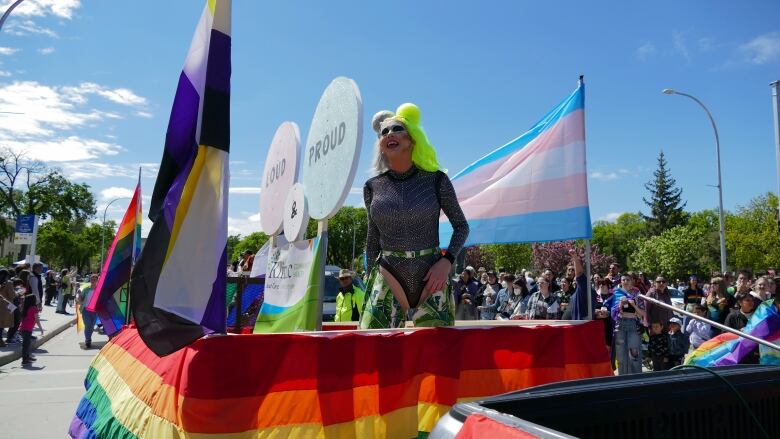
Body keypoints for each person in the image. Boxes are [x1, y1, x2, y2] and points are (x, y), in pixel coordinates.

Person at [360, 104, 469, 329]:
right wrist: (370, 283)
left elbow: (461, 226)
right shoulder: (372, 187)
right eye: (384, 132)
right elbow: (372, 240)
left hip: (432, 278)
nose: (389, 134)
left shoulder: (437, 180)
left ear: (412, 138)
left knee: (437, 355)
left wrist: (447, 262)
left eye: (397, 129)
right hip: (387, 275)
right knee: (375, 351)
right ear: (380, 145)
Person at [610, 274, 646, 375]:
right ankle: (623, 378)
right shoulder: (616, 293)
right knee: (621, 354)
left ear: (632, 281)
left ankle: (635, 378)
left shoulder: (638, 294)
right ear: (620, 282)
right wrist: (620, 306)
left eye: (627, 280)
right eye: (623, 280)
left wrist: (634, 305)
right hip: (620, 325)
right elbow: (613, 311)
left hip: (633, 325)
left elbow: (643, 313)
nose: (625, 281)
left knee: (634, 353)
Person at [78, 274, 99, 348]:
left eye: (94, 279)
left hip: (95, 310)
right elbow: (80, 297)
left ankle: (88, 338)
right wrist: (79, 299)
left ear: (97, 280)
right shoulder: (86, 289)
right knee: (88, 325)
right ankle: (88, 340)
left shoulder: (99, 290)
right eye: (92, 279)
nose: (93, 280)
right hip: (86, 310)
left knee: (92, 326)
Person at [19, 285, 38, 366]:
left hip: (23, 328)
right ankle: (24, 360)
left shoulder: (25, 308)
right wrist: (40, 329)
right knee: (26, 345)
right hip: (27, 329)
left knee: (27, 344)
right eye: (36, 298)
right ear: (33, 300)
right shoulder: (34, 308)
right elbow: (37, 320)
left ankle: (27, 357)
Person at [0, 269, 14, 347]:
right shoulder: (8, 283)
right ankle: (0, 341)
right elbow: (12, 295)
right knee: (1, 324)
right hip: (5, 305)